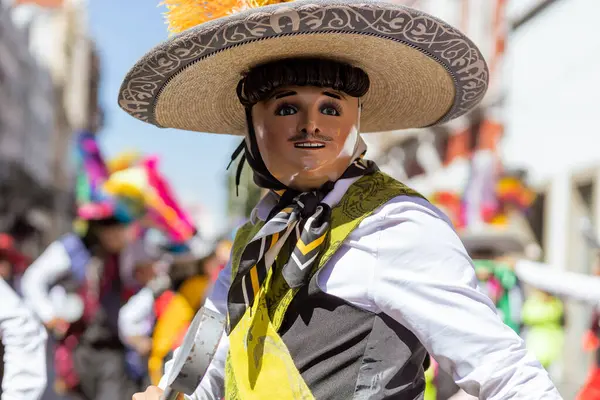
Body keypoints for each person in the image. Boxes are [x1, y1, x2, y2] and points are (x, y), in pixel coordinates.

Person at [121, 1, 561, 398]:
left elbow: (505, 372)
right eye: (286, 107)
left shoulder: (396, 224)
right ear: (251, 125)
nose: (312, 125)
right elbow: (214, 362)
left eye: (331, 109)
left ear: (356, 122)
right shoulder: (255, 239)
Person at [21, 132, 144, 400]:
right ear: (99, 229)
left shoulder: (125, 255)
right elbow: (33, 279)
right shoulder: (70, 248)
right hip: (77, 350)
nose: (119, 236)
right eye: (113, 231)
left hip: (112, 351)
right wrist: (50, 315)